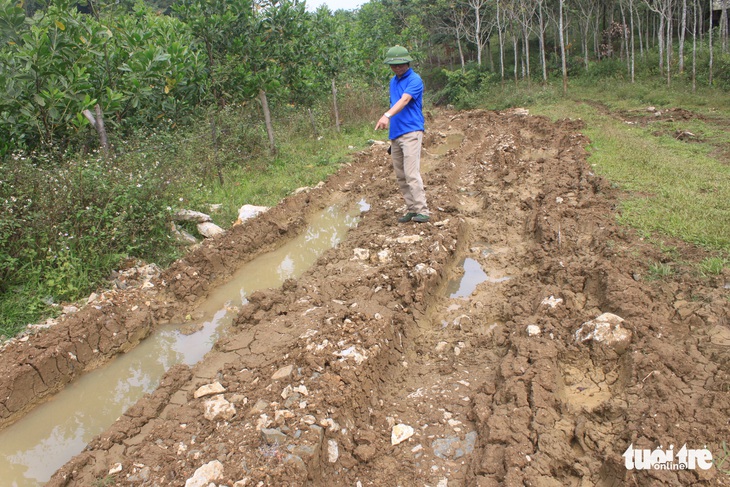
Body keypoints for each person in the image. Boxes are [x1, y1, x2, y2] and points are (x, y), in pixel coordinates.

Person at [375, 45, 429, 224]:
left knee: (411, 173)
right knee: (400, 175)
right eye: (394, 65)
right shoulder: (393, 81)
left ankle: (422, 211)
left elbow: (404, 100)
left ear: (408, 63)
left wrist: (387, 115)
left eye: (401, 64)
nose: (398, 68)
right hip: (396, 133)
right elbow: (395, 102)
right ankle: (412, 209)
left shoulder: (415, 79)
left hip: (411, 131)